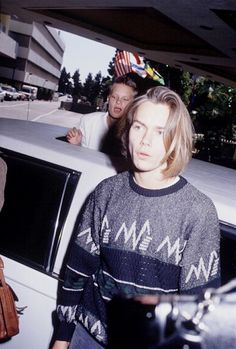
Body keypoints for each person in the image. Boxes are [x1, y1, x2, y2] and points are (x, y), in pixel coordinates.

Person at [53, 86, 220, 349]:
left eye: (160, 132)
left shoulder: (198, 211)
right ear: (127, 131)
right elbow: (77, 270)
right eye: (139, 127)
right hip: (88, 337)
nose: (145, 141)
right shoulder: (106, 193)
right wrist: (62, 335)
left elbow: (199, 311)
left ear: (176, 139)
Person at [66, 76, 138, 155]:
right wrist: (76, 145)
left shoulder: (135, 132)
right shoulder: (88, 122)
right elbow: (78, 158)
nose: (118, 102)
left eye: (125, 99)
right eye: (114, 97)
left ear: (132, 104)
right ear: (108, 99)